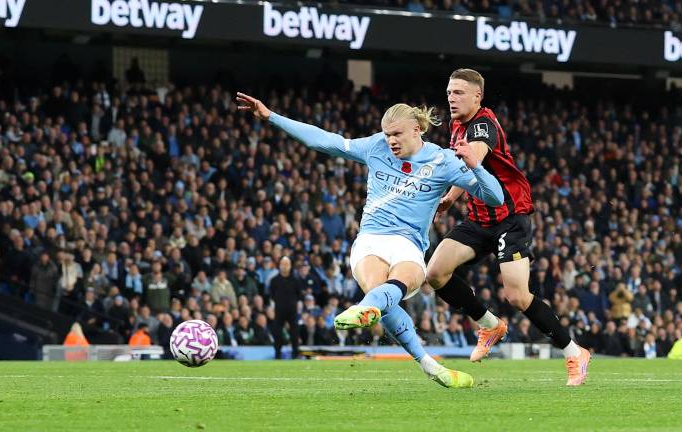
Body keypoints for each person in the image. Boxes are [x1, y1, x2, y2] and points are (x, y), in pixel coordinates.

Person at [237, 92, 504, 388]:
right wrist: (271, 116)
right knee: (381, 293)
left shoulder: (443, 161)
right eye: (387, 134)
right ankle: (382, 319)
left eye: (397, 134)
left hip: (408, 244)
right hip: (371, 239)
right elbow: (324, 141)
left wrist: (476, 167)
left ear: (417, 129)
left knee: (405, 281)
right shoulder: (376, 146)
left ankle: (422, 359)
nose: (391, 140)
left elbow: (495, 197)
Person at [425, 68, 590, 386]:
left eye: (458, 92)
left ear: (477, 96)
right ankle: (489, 324)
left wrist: (443, 163)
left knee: (517, 296)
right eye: (448, 92)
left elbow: (475, 155)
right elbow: (465, 169)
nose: (451, 98)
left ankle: (574, 352)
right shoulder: (456, 125)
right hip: (478, 218)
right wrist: (450, 197)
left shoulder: (484, 124)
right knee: (435, 272)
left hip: (510, 219)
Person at [269, 256, 303, 359]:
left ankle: (295, 353)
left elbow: (299, 297)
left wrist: (299, 309)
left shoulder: (296, 280)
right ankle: (277, 353)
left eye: (286, 264)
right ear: (279, 266)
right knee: (277, 333)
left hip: (292, 311)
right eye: (283, 264)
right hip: (278, 311)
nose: (284, 266)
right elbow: (271, 297)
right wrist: (271, 308)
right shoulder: (274, 280)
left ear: (290, 266)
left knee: (294, 333)